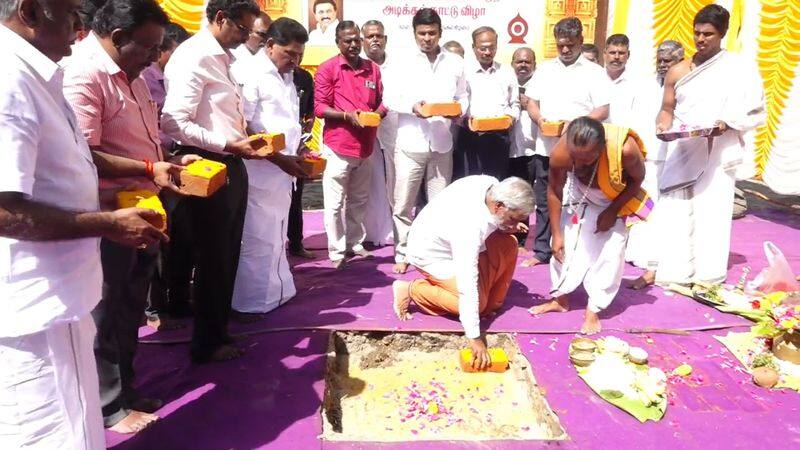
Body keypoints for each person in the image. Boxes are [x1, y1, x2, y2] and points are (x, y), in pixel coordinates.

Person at [0, 0, 168, 447]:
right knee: (43, 431)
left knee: (73, 424)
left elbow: (71, 159)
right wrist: (106, 222)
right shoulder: (10, 80)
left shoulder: (39, 72)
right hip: (32, 307)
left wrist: (141, 179)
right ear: (32, 11)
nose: (80, 24)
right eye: (72, 11)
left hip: (60, 294)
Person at [62, 0, 196, 433]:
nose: (155, 57)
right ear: (118, 38)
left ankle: (128, 389)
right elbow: (83, 154)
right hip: (108, 216)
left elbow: (142, 140)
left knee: (130, 308)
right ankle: (108, 405)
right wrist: (146, 168)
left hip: (144, 209)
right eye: (149, 47)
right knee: (105, 310)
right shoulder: (85, 73)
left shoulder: (134, 74)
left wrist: (170, 157)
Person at [161, 0, 263, 363]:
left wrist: (242, 138)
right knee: (213, 256)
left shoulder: (223, 57)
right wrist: (225, 143)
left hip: (231, 160)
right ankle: (206, 341)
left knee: (226, 254)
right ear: (221, 18)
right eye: (242, 28)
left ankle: (217, 331)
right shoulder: (195, 56)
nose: (245, 36)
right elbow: (173, 122)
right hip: (206, 163)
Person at [653, 4, 764, 286]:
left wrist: (727, 122)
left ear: (723, 33)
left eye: (708, 34)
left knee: (712, 211)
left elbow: (755, 109)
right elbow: (666, 109)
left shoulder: (739, 68)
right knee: (676, 209)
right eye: (697, 33)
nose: (700, 39)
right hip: (683, 148)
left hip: (719, 152)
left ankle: (708, 275)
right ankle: (674, 273)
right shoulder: (678, 71)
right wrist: (662, 124)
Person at [392, 176, 533, 369]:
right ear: (499, 206)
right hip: (432, 255)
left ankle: (490, 303)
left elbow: (490, 226)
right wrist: (474, 337)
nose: (514, 223)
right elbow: (468, 282)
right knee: (478, 303)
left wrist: (508, 225)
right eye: (512, 218)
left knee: (510, 244)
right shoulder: (469, 226)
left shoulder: (492, 186)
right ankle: (412, 289)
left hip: (455, 243)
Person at [529, 118, 648, 335]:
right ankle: (560, 299)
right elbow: (554, 191)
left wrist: (613, 211)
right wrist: (556, 234)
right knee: (564, 247)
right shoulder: (561, 153)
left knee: (611, 251)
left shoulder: (625, 149)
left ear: (603, 147)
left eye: (588, 158)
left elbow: (638, 179)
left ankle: (594, 309)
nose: (580, 164)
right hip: (578, 194)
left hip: (613, 196)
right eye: (576, 157)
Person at [231, 17, 308, 318]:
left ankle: (277, 291)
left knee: (277, 234)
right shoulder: (250, 73)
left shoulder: (286, 75)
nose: (296, 60)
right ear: (271, 45)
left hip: (282, 171)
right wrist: (279, 158)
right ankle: (250, 302)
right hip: (260, 171)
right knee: (256, 237)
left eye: (300, 55)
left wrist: (297, 148)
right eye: (290, 54)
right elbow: (244, 125)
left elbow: (286, 120)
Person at [523, 17, 611, 267]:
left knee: (578, 200)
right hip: (547, 146)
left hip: (580, 150)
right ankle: (542, 250)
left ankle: (576, 249)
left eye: (570, 45)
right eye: (560, 45)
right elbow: (531, 102)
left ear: (581, 42)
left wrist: (576, 126)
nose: (564, 50)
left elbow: (602, 110)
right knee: (544, 199)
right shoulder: (546, 70)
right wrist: (539, 120)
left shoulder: (594, 72)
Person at [387, 8, 468, 274]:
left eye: (432, 33)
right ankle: (403, 251)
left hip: (442, 142)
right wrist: (412, 106)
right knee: (403, 204)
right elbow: (388, 99)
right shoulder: (401, 61)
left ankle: (435, 252)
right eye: (422, 33)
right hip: (411, 142)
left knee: (439, 204)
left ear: (440, 33)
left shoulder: (454, 62)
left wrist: (457, 109)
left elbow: (463, 96)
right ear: (414, 34)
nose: (427, 38)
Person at [315, 21, 387, 269]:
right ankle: (336, 251)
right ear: (338, 43)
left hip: (366, 147)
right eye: (348, 40)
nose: (354, 44)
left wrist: (377, 113)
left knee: (359, 200)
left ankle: (355, 243)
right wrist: (347, 116)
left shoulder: (373, 69)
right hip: (338, 146)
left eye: (357, 39)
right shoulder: (327, 69)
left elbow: (381, 102)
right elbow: (319, 108)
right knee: (334, 204)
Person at [142, 21, 193, 330]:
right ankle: (153, 307)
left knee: (177, 237)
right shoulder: (146, 78)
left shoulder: (169, 77)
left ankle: (176, 298)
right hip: (148, 168)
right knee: (154, 239)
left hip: (170, 163)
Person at [453, 26, 519, 180]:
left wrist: (511, 118)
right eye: (483, 48)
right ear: (473, 48)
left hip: (499, 137)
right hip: (470, 135)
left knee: (496, 184)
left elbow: (515, 103)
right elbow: (456, 102)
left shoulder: (506, 71)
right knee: (469, 183)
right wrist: (463, 120)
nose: (488, 52)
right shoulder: (463, 71)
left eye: (492, 48)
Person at [361, 19, 394, 247]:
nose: (374, 40)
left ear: (385, 39)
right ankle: (371, 233)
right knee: (369, 184)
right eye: (370, 36)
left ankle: (396, 230)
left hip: (393, 131)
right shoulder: (357, 66)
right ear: (363, 40)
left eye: (378, 36)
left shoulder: (398, 65)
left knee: (396, 182)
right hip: (365, 131)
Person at [509, 47, 539, 250]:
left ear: (534, 65)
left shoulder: (541, 85)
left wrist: (531, 104)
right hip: (508, 148)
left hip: (532, 149)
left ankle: (522, 239)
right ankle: (506, 236)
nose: (523, 65)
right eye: (519, 62)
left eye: (527, 62)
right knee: (509, 195)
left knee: (527, 194)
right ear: (512, 64)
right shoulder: (505, 83)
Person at [287, 63, 316, 259]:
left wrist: (305, 133)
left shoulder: (304, 77)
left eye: (300, 51)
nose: (296, 57)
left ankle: (296, 243)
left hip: (296, 144)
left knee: (296, 197)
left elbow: (310, 112)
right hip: (271, 147)